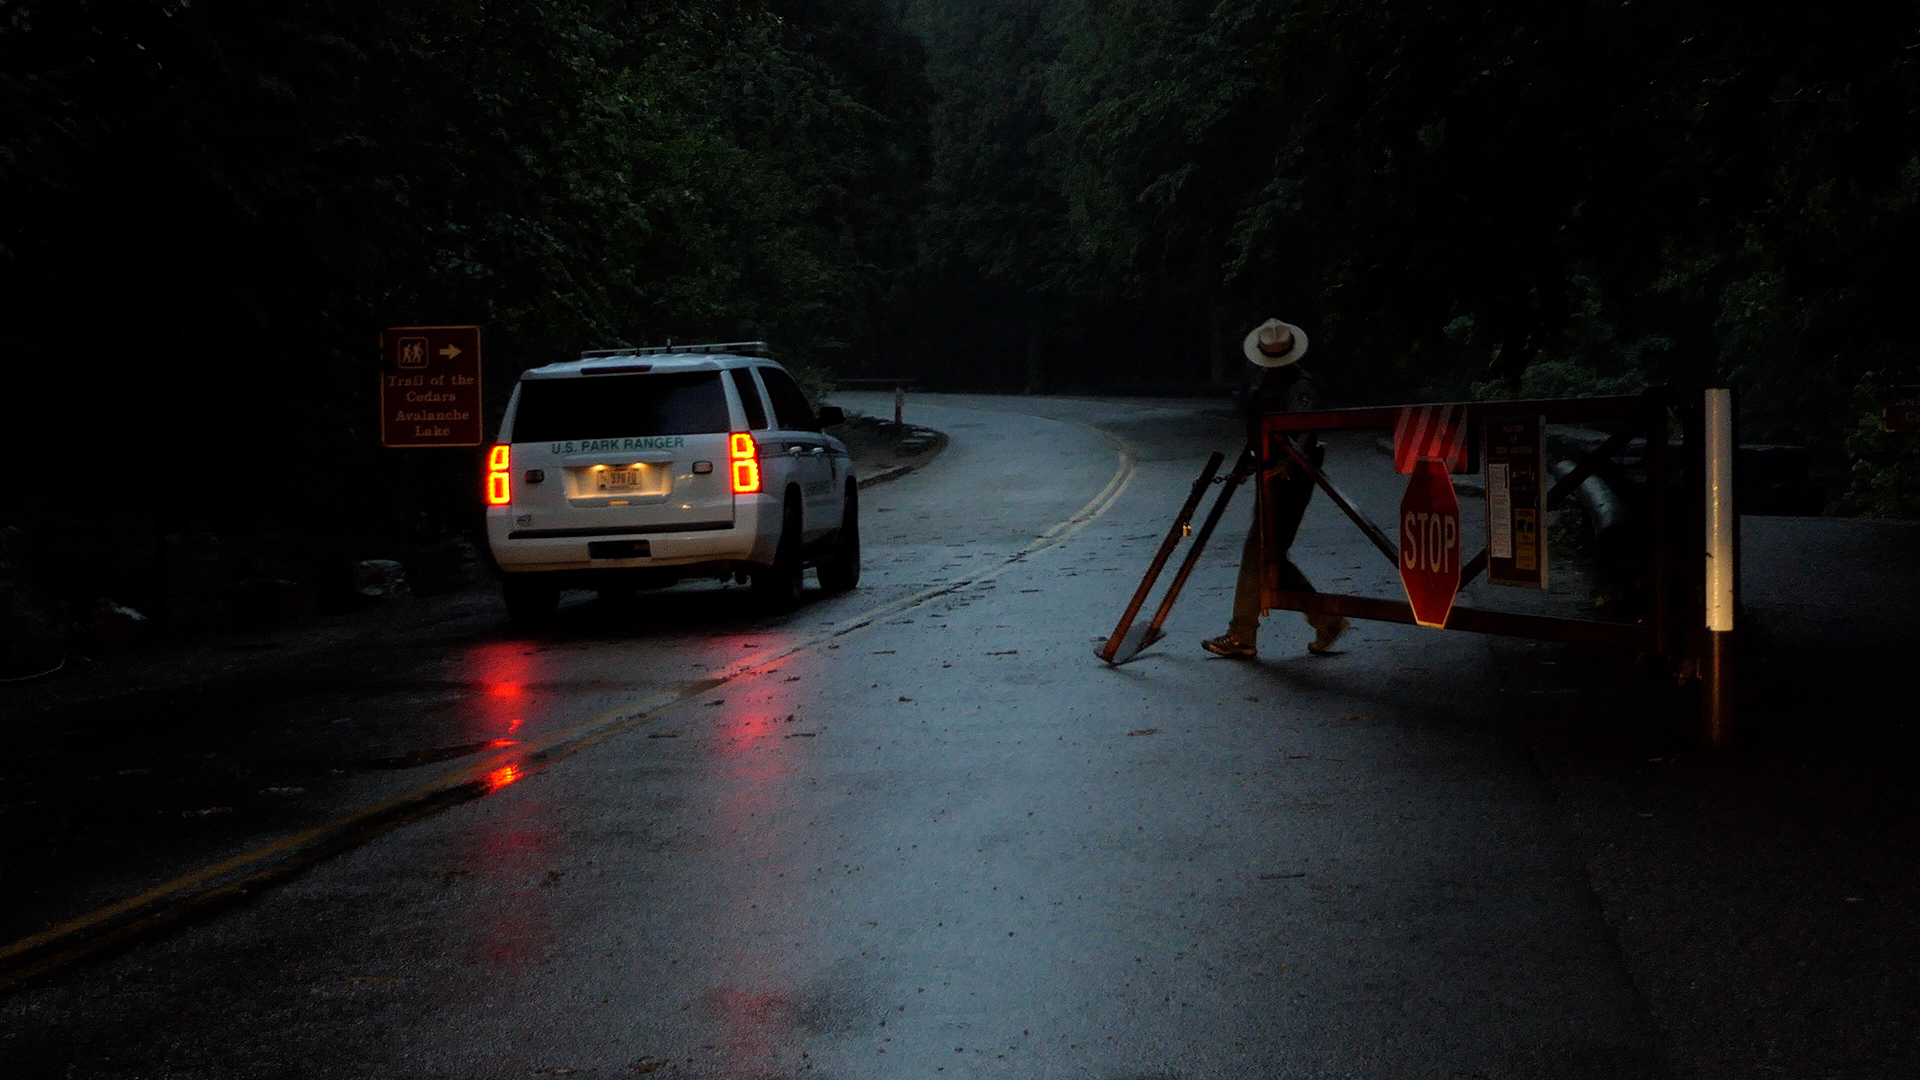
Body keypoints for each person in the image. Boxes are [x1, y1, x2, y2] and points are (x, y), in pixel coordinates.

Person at [1202, 317, 1350, 659]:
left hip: (1290, 478)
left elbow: (1305, 429)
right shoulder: (1266, 384)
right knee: (1269, 557)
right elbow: (1260, 432)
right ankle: (1326, 619)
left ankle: (1242, 633)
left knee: (1260, 553)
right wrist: (1250, 466)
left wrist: (1288, 464)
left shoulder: (1299, 386)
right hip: (1269, 474)